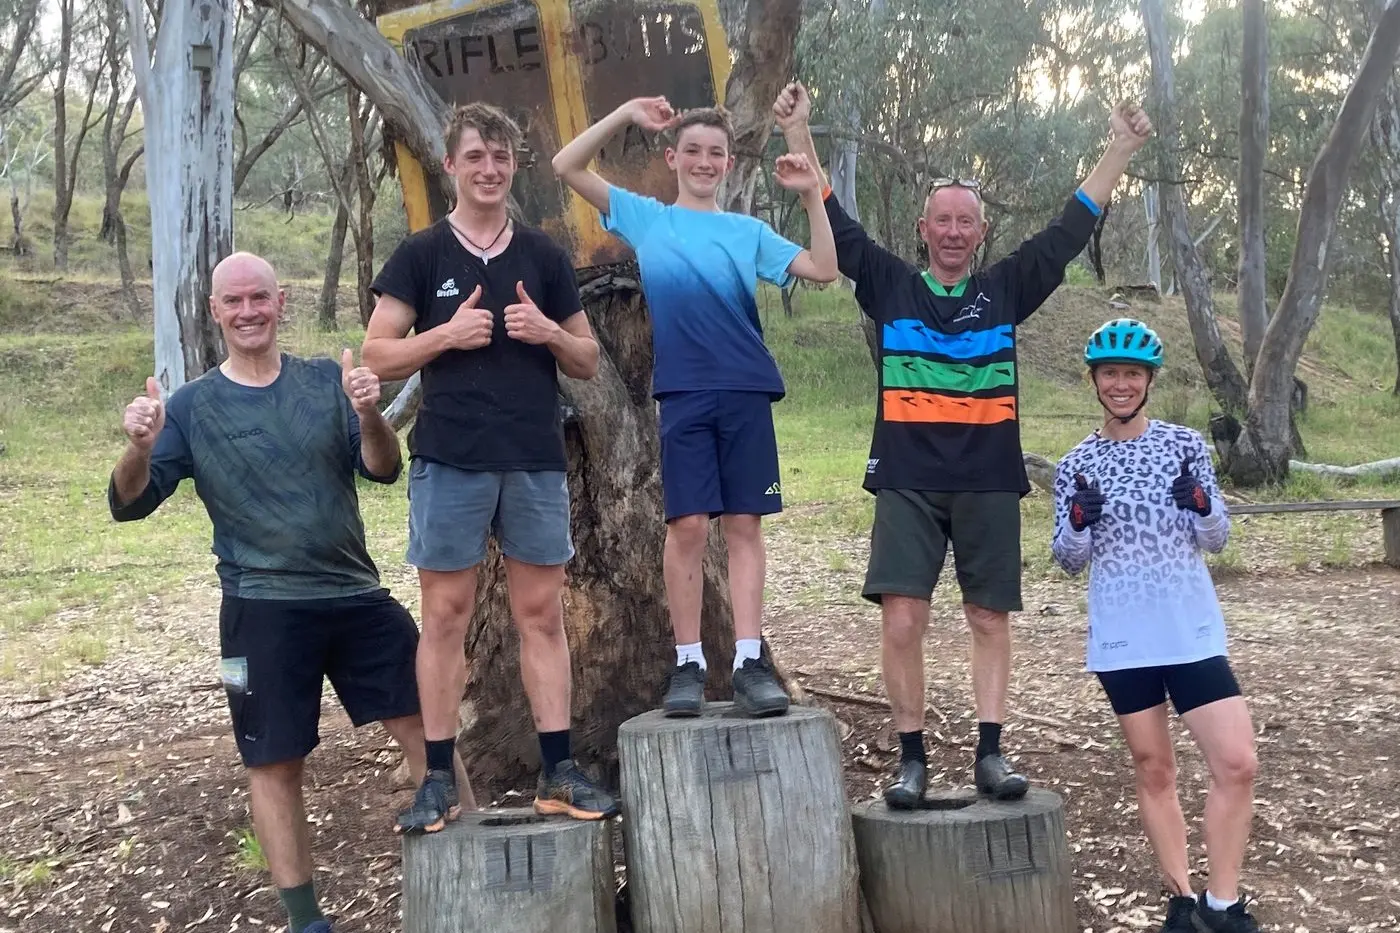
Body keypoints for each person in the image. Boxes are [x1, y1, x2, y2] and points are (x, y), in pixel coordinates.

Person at [773, 81, 1153, 806]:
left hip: (986, 474)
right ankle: (910, 757)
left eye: (965, 222)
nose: (952, 231)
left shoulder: (1006, 289)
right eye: (941, 219)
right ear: (923, 228)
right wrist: (798, 130)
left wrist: (1121, 149)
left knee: (987, 615)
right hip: (908, 477)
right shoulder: (888, 283)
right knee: (903, 617)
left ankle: (990, 751)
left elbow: (1068, 231)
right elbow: (832, 214)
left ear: (979, 234)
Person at [107, 252, 467, 933]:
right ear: (214, 311)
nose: (248, 312)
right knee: (274, 760)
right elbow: (129, 503)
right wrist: (140, 446)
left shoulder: (323, 382)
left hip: (355, 593)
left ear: (282, 302)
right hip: (260, 606)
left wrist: (368, 413)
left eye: (259, 298)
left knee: (432, 729)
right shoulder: (190, 407)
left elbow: (383, 468)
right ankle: (307, 920)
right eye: (233, 301)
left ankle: (471, 880)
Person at [362, 102, 617, 833]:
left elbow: (589, 356)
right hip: (450, 458)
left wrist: (545, 332)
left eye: (500, 157)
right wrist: (444, 335)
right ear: (451, 166)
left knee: (542, 615)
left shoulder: (541, 255)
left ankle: (559, 769)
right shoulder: (421, 255)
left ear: (513, 166)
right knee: (445, 615)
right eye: (475, 156)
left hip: (533, 458)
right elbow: (377, 353)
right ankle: (437, 778)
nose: (489, 169)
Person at [551, 96, 838, 719]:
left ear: (729, 163)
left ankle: (749, 662)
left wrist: (813, 195)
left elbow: (824, 267)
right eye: (694, 151)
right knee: (685, 527)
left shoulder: (747, 233)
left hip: (745, 392)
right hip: (682, 394)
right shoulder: (648, 219)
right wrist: (625, 112)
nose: (705, 162)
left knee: (743, 526)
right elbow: (567, 165)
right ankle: (686, 663)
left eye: (716, 153)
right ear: (672, 157)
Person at [1052, 319, 1259, 933]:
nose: (1121, 384)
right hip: (1123, 635)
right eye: (1110, 373)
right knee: (1154, 768)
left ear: (1149, 381)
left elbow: (1216, 539)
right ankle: (1182, 901)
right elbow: (1067, 560)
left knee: (1237, 762)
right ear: (1095, 381)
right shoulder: (1076, 463)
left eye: (1132, 374)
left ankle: (1224, 904)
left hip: (1188, 628)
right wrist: (1079, 522)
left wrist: (1203, 504)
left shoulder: (1186, 444)